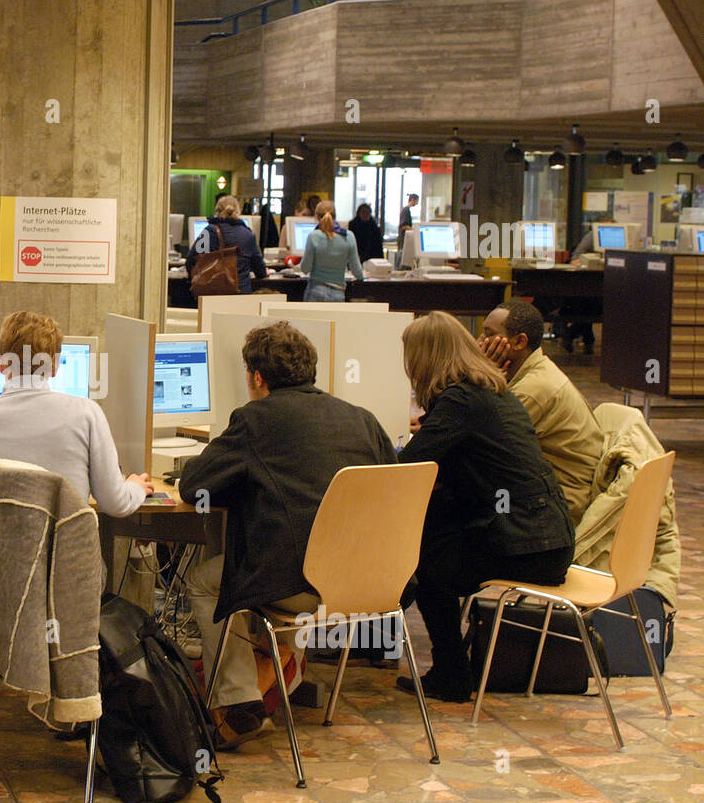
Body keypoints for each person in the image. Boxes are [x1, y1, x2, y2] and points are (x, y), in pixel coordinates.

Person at [179, 322, 397, 747]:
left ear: (257, 377)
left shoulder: (255, 419)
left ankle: (238, 700)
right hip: (372, 584)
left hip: (300, 585)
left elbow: (194, 487)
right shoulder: (363, 420)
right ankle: (277, 674)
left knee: (209, 580)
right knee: (259, 560)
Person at [397, 311, 575, 702]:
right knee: (435, 524)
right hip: (546, 534)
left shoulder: (461, 399)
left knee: (426, 564)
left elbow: (409, 467)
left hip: (529, 545)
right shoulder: (489, 388)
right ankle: (451, 667)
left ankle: (451, 675)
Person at [0, 310, 151, 518]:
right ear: (54, 368)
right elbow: (116, 504)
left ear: (2, 364)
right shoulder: (87, 414)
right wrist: (135, 487)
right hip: (66, 548)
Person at [479, 301, 602, 524]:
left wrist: (480, 373)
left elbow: (479, 445)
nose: (480, 343)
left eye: (489, 334)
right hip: (546, 491)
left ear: (519, 342)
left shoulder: (533, 389)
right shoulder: (526, 372)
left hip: (560, 506)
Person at [184, 195, 268, 296]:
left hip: (214, 293)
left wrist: (193, 277)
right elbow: (260, 270)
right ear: (238, 211)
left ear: (217, 211)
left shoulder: (210, 231)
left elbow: (191, 259)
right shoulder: (248, 234)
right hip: (242, 294)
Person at [301, 200, 363, 302]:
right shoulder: (349, 236)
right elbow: (356, 269)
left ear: (316, 217)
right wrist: (363, 275)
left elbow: (305, 268)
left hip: (315, 291)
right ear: (335, 216)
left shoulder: (314, 236)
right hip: (338, 294)